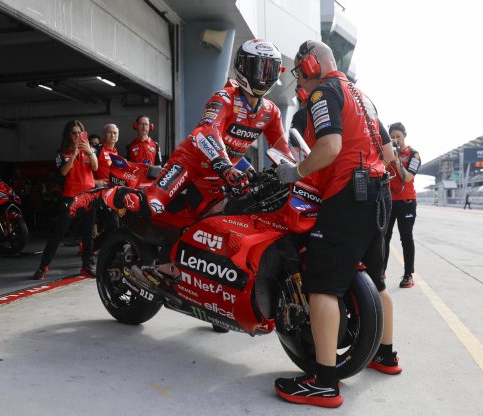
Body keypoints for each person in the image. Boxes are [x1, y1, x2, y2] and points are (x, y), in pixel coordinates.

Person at [273, 40, 400, 409]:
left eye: (300, 73)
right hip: (378, 193)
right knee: (376, 281)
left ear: (312, 65)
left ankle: (323, 383)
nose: (301, 82)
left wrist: (293, 172)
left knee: (322, 286)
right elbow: (388, 153)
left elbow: (328, 148)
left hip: (349, 192)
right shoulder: (361, 96)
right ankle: (385, 356)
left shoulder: (324, 92)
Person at [69, 39, 291, 226]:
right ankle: (101, 196)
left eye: (269, 70)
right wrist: (225, 166)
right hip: (191, 162)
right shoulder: (224, 98)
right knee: (153, 204)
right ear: (243, 67)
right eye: (259, 69)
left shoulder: (271, 112)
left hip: (225, 172)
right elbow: (206, 131)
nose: (263, 77)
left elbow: (282, 150)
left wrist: (296, 174)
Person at [32, 120, 98, 281]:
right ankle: (43, 266)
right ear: (69, 135)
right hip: (71, 197)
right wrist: (74, 154)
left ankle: (87, 266)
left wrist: (89, 151)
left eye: (80, 133)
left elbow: (95, 168)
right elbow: (63, 172)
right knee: (59, 232)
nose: (77, 136)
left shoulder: (91, 149)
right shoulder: (62, 152)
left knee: (88, 233)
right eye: (74, 133)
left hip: (89, 195)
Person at [384, 122, 421, 288]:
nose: (395, 140)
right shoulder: (387, 153)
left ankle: (408, 275)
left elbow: (407, 178)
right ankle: (380, 271)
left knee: (406, 238)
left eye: (398, 137)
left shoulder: (414, 154)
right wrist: (388, 156)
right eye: (392, 138)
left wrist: (397, 159)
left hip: (406, 202)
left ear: (404, 135)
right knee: (384, 237)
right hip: (388, 201)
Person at [92, 124, 121, 252]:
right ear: (104, 134)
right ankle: (94, 248)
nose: (113, 135)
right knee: (114, 226)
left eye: (115, 133)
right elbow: (85, 169)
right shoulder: (97, 150)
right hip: (100, 194)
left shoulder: (115, 151)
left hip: (114, 193)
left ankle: (92, 247)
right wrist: (94, 181)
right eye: (110, 132)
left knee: (115, 226)